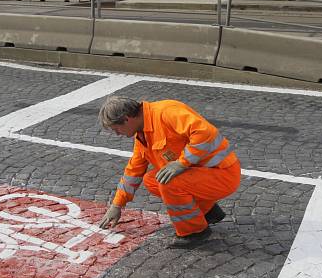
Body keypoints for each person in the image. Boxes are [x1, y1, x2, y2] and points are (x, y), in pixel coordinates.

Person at [98, 96, 241, 248]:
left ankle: (195, 232)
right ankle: (208, 211)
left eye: (116, 129)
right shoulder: (142, 134)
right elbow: (133, 171)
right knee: (151, 180)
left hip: (223, 174)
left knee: (169, 182)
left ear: (127, 119)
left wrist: (181, 163)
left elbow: (205, 133)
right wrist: (117, 205)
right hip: (205, 174)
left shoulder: (166, 112)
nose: (117, 134)